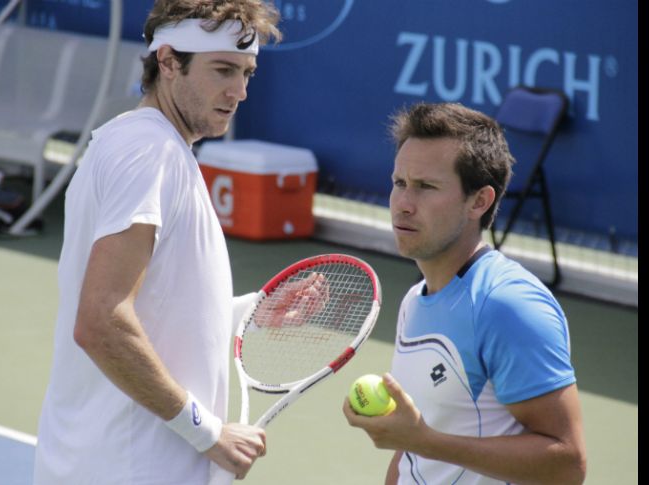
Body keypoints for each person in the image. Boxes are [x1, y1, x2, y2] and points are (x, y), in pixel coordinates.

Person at [32, 1, 283, 484]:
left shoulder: (151, 147)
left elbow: (162, 309)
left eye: (247, 73)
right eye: (224, 70)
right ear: (168, 62)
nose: (240, 91)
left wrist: (253, 311)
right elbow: (102, 320)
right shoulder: (149, 153)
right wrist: (209, 434)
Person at [343, 102, 587, 485]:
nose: (403, 205)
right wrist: (415, 440)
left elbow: (567, 464)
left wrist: (425, 441)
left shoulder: (508, 305)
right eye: (399, 183)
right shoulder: (414, 300)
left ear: (479, 201)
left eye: (426, 187)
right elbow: (411, 455)